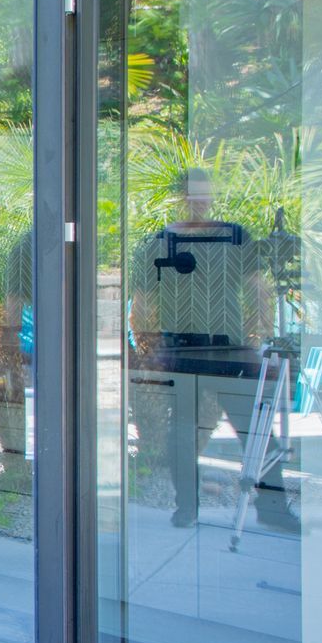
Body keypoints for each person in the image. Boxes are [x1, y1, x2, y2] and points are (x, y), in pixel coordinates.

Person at [128, 168, 296, 532]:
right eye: (191, 194)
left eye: (204, 193)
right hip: (180, 352)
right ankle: (186, 507)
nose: (198, 201)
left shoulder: (236, 237)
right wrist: (150, 347)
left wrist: (255, 339)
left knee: (255, 430)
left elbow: (258, 290)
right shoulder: (157, 243)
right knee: (182, 435)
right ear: (179, 198)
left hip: (230, 351)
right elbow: (141, 303)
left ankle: (274, 510)